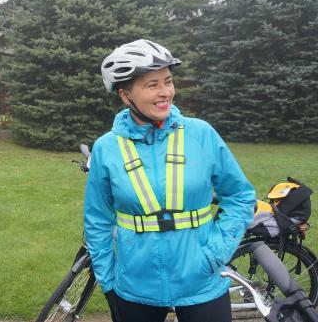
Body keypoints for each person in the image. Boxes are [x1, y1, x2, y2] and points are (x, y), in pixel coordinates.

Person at [84, 39, 255, 322]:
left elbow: (240, 196)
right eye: (152, 85)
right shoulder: (107, 147)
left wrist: (216, 252)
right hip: (135, 286)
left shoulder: (201, 134)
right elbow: (97, 219)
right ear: (126, 95)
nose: (165, 92)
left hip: (202, 282)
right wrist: (109, 281)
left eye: (168, 81)